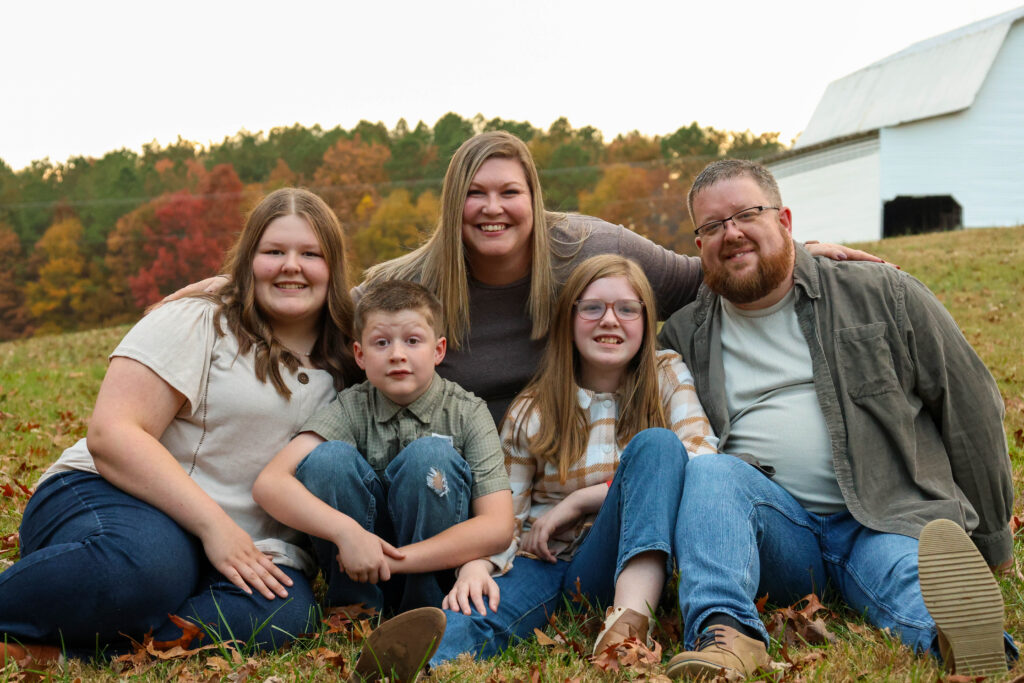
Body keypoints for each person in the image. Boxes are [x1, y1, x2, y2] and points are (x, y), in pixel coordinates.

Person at [168, 130, 882, 424]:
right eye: (475, 193)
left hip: (569, 457)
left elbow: (705, 276)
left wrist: (799, 248)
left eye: (509, 191)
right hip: (457, 469)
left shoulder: (589, 248)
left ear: (532, 198)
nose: (492, 208)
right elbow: (327, 308)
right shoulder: (413, 283)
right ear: (454, 203)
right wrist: (232, 288)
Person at [657, 159, 1015, 679]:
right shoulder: (684, 334)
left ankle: (968, 644)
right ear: (698, 246)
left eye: (746, 215)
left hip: (886, 517)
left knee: (912, 580)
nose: (730, 233)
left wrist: (993, 544)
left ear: (785, 222)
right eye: (712, 226)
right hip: (777, 537)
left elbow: (970, 405)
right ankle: (727, 638)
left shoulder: (881, 293)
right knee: (710, 472)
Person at [0, 188, 362, 663]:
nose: (291, 265)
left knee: (284, 614)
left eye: (310, 254)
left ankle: (72, 653)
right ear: (249, 259)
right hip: (117, 497)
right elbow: (113, 435)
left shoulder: (353, 353)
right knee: (151, 569)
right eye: (273, 252)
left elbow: (406, 296)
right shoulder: (202, 319)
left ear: (333, 267)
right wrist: (215, 529)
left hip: (244, 545)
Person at [428, 254, 718, 666]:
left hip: (624, 560)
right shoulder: (534, 408)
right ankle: (418, 654)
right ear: (570, 318)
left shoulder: (665, 373)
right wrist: (476, 565)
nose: (610, 320)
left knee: (657, 445)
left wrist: (581, 500)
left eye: (627, 309)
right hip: (546, 560)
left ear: (646, 319)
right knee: (484, 606)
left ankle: (628, 627)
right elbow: (507, 514)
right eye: (593, 307)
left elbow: (702, 454)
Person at [253, 279, 514, 617]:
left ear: (438, 350)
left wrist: (398, 561)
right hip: (356, 565)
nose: (397, 355)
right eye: (381, 342)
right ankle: (354, 609)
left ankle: (424, 608)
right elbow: (269, 483)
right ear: (359, 355)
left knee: (430, 456)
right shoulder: (350, 408)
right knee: (327, 459)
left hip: (432, 569)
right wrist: (348, 534)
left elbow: (498, 526)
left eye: (413, 340)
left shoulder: (467, 412)